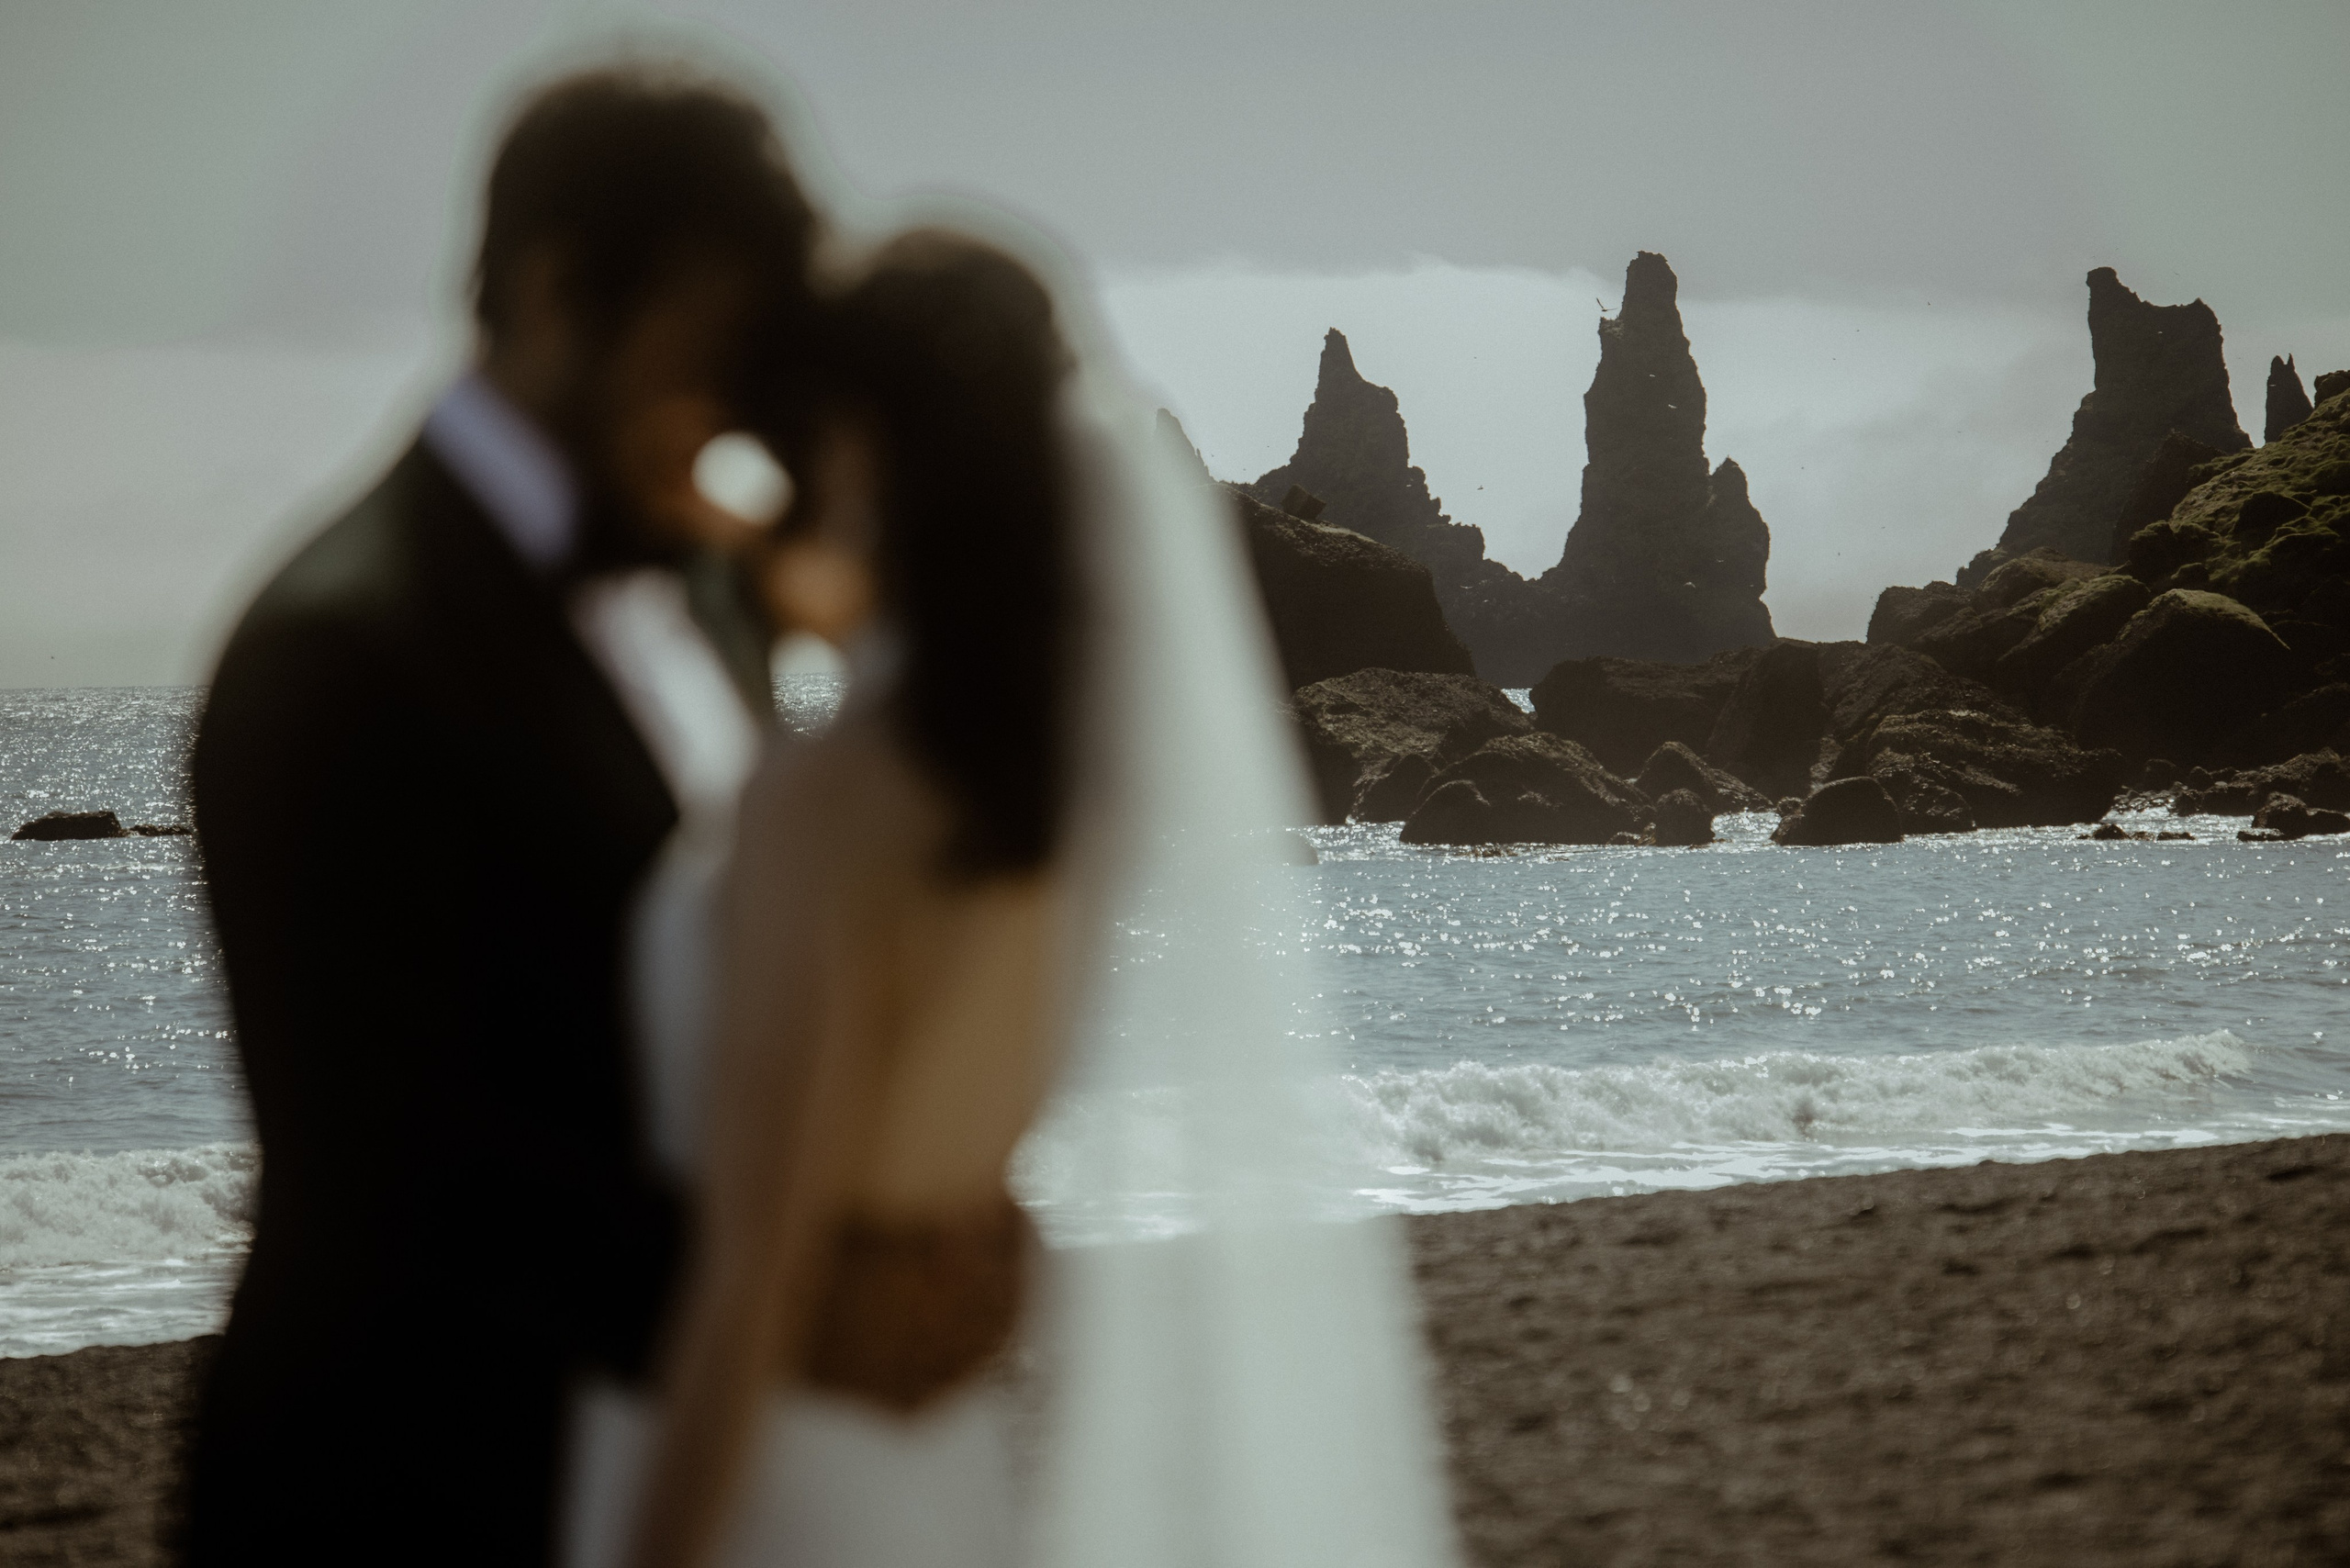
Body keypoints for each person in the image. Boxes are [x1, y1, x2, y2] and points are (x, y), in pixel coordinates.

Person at [577, 222, 1461, 1568]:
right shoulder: (1073, 795)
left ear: (864, 448)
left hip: (771, 1474)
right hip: (933, 1461)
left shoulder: (829, 797)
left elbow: (754, 1283)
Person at [185, 67, 816, 1567]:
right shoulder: (333, 655)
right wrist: (807, 1308)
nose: (736, 404)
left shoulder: (719, 596)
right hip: (410, 1485)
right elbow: (399, 1173)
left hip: (686, 1460)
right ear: (553, 293)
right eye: (711, 344)